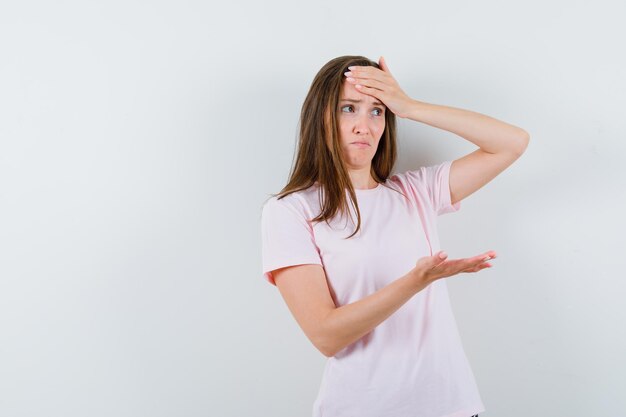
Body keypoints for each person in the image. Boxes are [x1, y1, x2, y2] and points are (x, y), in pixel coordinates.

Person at [260, 55, 529, 417]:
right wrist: (415, 281)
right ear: (320, 116)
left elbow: (512, 142)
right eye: (348, 108)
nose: (364, 126)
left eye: (377, 111)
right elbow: (326, 335)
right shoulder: (292, 210)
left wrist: (409, 106)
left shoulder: (415, 191)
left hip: (453, 406)